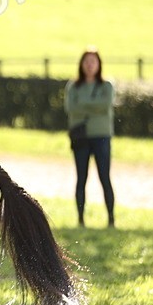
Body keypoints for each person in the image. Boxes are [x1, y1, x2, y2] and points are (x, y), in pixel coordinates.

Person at [65, 48, 116, 227]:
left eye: (93, 61)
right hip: (81, 137)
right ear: (81, 64)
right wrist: (93, 106)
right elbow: (71, 108)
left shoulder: (106, 86)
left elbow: (105, 105)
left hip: (101, 136)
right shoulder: (73, 87)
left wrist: (83, 105)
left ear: (99, 64)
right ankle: (80, 219)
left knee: (105, 177)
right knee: (81, 178)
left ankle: (111, 219)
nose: (90, 65)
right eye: (87, 61)